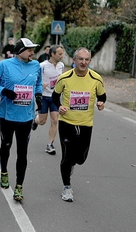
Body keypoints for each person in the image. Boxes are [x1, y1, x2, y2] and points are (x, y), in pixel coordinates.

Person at [0, 38, 43, 202]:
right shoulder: (5, 65)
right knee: (6, 145)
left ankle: (19, 187)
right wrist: (3, 91)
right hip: (8, 115)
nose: (32, 53)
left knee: (22, 152)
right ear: (19, 50)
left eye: (33, 50)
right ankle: (3, 171)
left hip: (27, 116)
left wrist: (38, 95)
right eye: (29, 49)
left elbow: (38, 84)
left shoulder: (36, 65)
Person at [52, 47, 106, 202]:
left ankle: (73, 164)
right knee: (67, 156)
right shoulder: (64, 78)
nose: (83, 62)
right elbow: (55, 96)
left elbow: (102, 95)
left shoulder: (96, 78)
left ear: (89, 61)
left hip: (86, 124)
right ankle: (67, 187)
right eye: (80, 59)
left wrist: (101, 103)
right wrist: (59, 106)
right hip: (66, 122)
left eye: (86, 59)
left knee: (81, 158)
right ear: (74, 60)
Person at [32, 45, 65, 155]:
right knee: (42, 121)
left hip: (55, 97)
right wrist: (41, 85)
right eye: (60, 54)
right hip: (44, 96)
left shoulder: (61, 66)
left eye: (62, 53)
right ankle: (35, 120)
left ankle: (50, 144)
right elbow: (35, 79)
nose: (62, 56)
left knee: (55, 120)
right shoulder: (42, 66)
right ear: (52, 54)